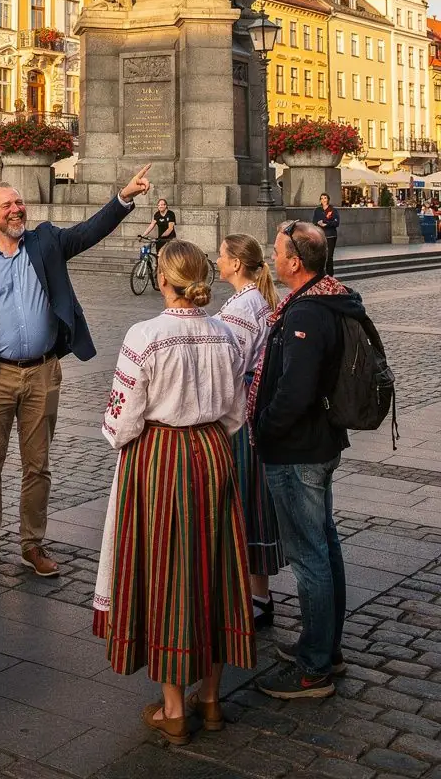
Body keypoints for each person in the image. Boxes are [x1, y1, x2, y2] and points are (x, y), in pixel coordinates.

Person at [0, 166, 152, 583]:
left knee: (37, 465)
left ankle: (32, 544)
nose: (15, 209)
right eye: (6, 205)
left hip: (43, 371)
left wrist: (124, 197)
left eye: (18, 203)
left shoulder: (45, 242)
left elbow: (88, 232)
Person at [93, 240, 255, 745]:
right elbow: (235, 413)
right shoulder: (226, 335)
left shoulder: (145, 335)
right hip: (211, 454)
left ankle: (173, 708)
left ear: (163, 279)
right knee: (216, 569)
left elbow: (120, 422)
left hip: (160, 456)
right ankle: (210, 700)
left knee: (167, 570)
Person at [251, 221, 363, 700]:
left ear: (296, 262)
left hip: (298, 451)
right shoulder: (324, 297)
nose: (273, 259)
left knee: (309, 555)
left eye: (278, 251)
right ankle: (325, 647)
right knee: (324, 545)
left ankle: (315, 667)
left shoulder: (309, 313)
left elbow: (295, 392)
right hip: (317, 444)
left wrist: (263, 429)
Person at [216, 234, 284, 630]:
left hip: (240, 415)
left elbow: (230, 362)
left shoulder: (243, 307)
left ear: (237, 264)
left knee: (243, 500)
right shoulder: (255, 300)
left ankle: (254, 597)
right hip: (251, 412)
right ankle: (258, 593)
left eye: (222, 255)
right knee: (252, 500)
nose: (217, 260)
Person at [313, 193, 340, 276]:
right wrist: (318, 223)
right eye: (321, 198)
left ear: (328, 199)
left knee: (329, 257)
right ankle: (320, 275)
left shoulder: (333, 210)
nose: (323, 200)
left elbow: (336, 222)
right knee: (320, 256)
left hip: (331, 236)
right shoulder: (317, 210)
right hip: (320, 236)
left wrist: (326, 224)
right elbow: (314, 221)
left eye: (325, 198)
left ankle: (330, 275)